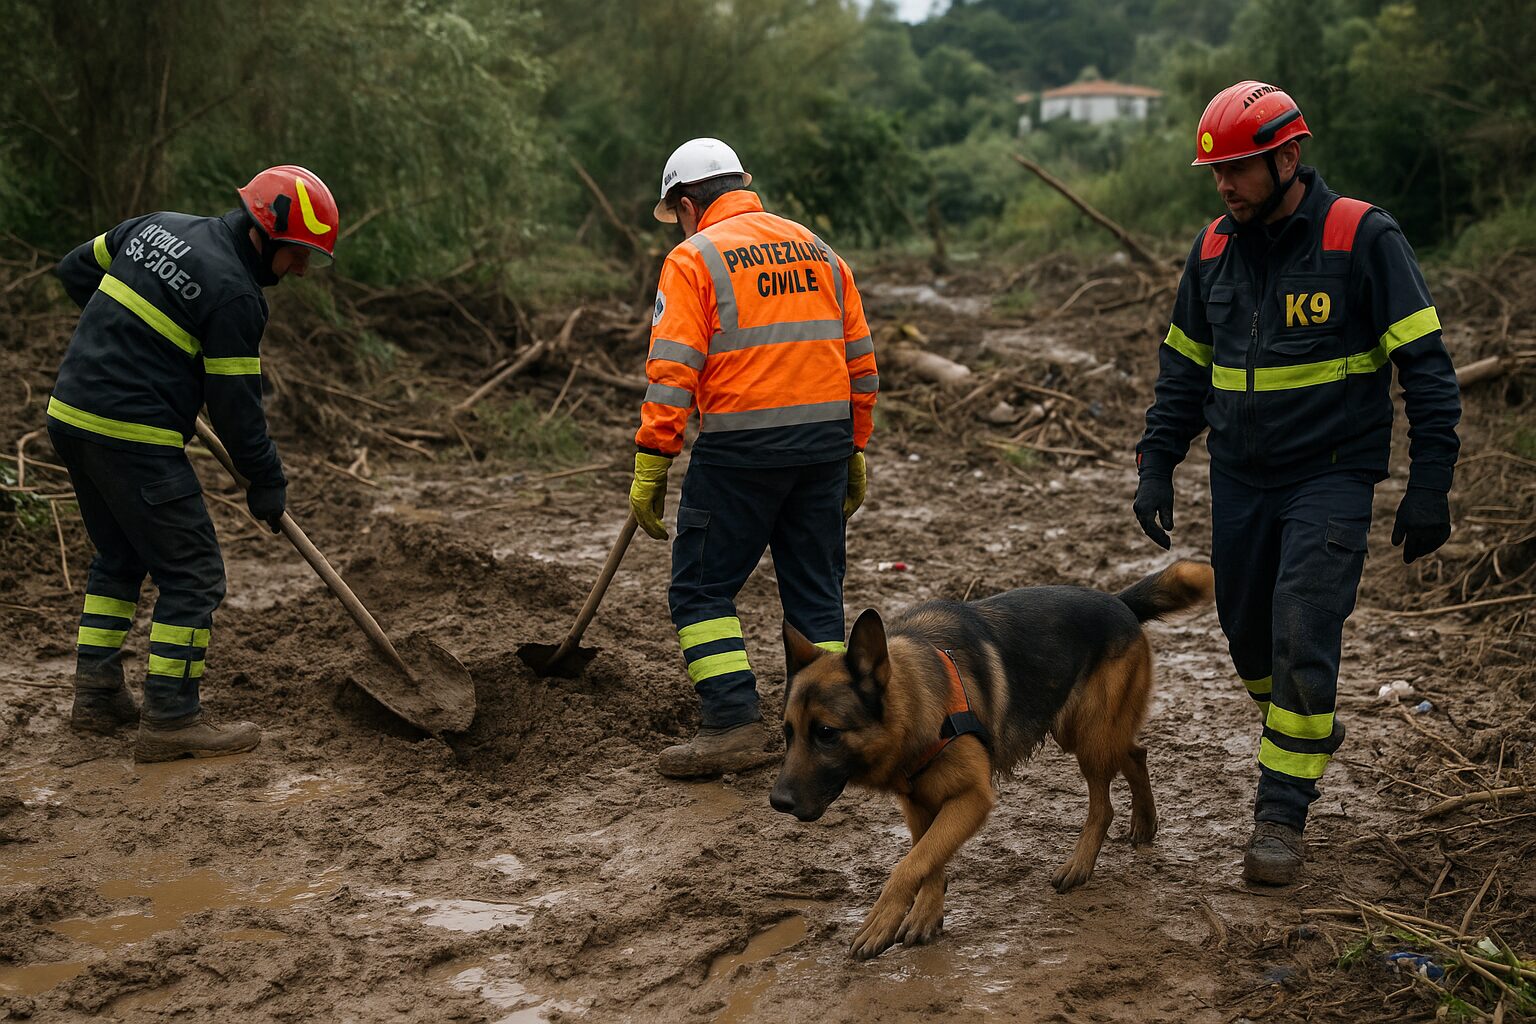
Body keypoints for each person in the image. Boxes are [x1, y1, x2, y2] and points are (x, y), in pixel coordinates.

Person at [1134, 82, 1460, 883]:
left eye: (1240, 168)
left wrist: (1431, 483)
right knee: (1247, 638)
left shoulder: (1362, 237)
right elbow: (1184, 369)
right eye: (1216, 172)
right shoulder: (1212, 250)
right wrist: (1157, 461)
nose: (1225, 184)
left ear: (1288, 156)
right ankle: (1308, 725)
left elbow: (1426, 367)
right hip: (1241, 479)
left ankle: (1279, 816)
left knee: (1299, 628)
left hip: (1332, 476)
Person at [48, 165, 340, 763]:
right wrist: (268, 481)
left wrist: (128, 338)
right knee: (194, 573)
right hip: (131, 433)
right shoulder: (236, 296)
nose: (303, 269)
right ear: (265, 233)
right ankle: (172, 719)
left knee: (121, 557)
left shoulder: (154, 227)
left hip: (71, 415)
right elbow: (238, 414)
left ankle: (97, 694)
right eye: (299, 254)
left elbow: (74, 270)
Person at [630, 138, 879, 778]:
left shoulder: (693, 259)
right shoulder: (819, 251)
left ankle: (734, 723)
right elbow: (861, 362)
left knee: (701, 591)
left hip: (741, 450)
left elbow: (673, 370)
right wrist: (855, 445)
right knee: (816, 597)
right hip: (823, 448)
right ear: (742, 182)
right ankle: (828, 731)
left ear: (687, 205)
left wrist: (654, 457)